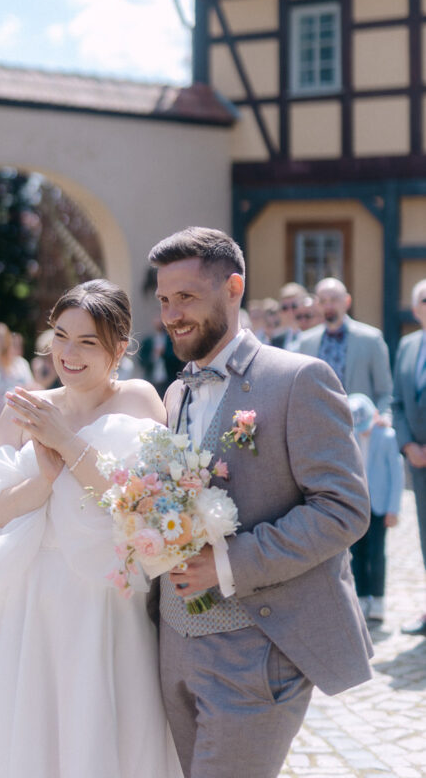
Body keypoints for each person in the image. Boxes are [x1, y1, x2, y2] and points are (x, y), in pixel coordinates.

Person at [148, 227, 372, 778]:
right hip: (172, 646)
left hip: (259, 647)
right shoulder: (175, 392)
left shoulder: (298, 380)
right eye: (164, 300)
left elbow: (344, 508)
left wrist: (228, 563)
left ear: (233, 288)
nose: (172, 314)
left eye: (187, 297)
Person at [0, 280, 182, 778]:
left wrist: (66, 444)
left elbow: (140, 508)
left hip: (106, 597)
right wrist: (45, 481)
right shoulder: (22, 407)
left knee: (103, 728)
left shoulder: (139, 400)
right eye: (60, 335)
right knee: (33, 734)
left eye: (87, 341)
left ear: (119, 348)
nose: (68, 354)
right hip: (34, 596)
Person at [297, 277, 393, 416]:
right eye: (323, 301)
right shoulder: (306, 342)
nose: (329, 306)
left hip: (359, 428)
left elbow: (385, 391)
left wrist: (384, 419)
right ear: (317, 305)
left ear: (347, 301)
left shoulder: (371, 339)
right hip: (318, 426)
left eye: (334, 300)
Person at [347, 393, 403, 624]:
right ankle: (362, 596)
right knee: (357, 553)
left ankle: (378, 598)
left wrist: (394, 509)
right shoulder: (350, 439)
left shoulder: (387, 437)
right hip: (356, 506)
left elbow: (397, 476)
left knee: (376, 553)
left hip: (379, 506)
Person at [391, 277, 426, 637]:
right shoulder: (408, 346)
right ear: (416, 309)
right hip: (418, 463)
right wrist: (408, 445)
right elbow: (398, 402)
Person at [0, 321, 34, 415]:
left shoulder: (20, 364)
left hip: (20, 412)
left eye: (3, 338)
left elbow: (30, 386)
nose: (0, 342)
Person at [139, 316, 183, 396]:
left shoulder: (171, 340)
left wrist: (164, 354)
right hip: (151, 379)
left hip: (168, 380)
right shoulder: (148, 340)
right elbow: (142, 360)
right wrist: (153, 356)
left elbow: (178, 359)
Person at [270, 282, 308, 350]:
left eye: (294, 306)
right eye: (285, 308)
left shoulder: (314, 335)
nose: (290, 312)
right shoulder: (277, 339)